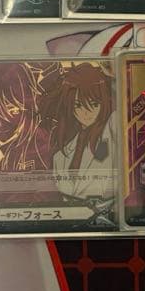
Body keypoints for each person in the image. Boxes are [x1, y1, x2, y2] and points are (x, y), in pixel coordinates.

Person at [43, 63, 114, 200]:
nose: (86, 113)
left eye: (94, 104)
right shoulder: (60, 156)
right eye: (78, 105)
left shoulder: (110, 130)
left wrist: (114, 77)